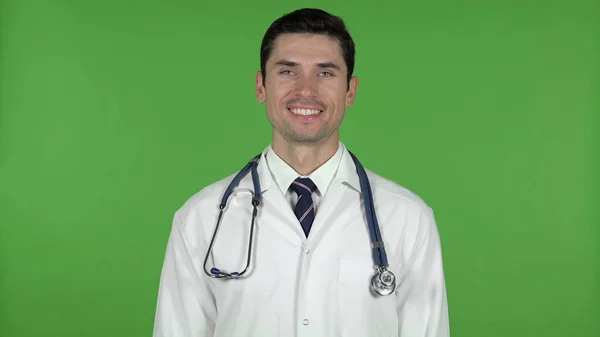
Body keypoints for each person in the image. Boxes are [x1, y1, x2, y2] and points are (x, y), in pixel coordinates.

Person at [152, 7, 450, 337]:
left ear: (350, 91)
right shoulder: (200, 219)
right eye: (288, 72)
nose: (306, 90)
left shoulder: (408, 219)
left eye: (325, 73)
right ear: (260, 86)